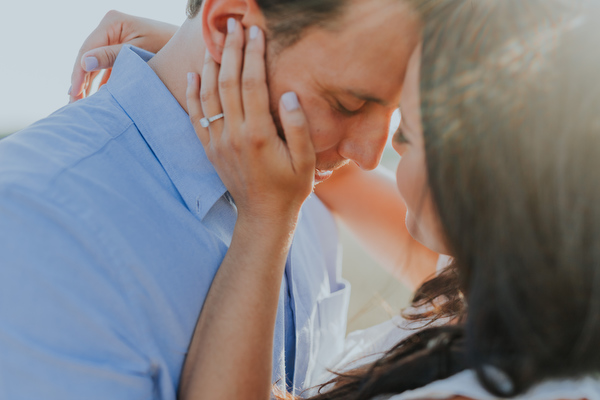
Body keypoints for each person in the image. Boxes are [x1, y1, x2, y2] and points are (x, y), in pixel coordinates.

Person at [111, 0, 600, 398]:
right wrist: (215, 59)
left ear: (487, 167)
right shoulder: (526, 296)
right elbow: (319, 168)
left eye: (406, 134)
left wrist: (265, 220)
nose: (375, 154)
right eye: (355, 104)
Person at [0, 0, 436, 399]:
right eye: (348, 103)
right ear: (227, 27)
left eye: (396, 110)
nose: (368, 157)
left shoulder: (304, 196)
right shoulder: (35, 224)